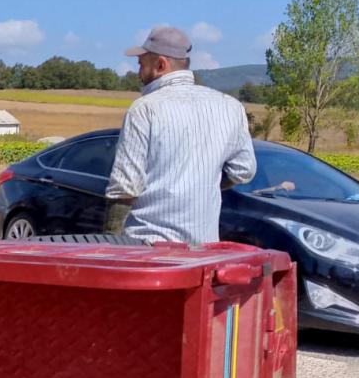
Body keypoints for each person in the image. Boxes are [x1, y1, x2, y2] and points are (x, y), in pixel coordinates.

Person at [104, 26, 257, 243]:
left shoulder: (145, 108)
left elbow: (125, 186)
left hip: (148, 245)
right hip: (204, 249)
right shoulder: (230, 107)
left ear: (160, 65)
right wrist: (201, 182)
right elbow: (243, 171)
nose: (138, 73)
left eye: (141, 65)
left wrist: (110, 243)